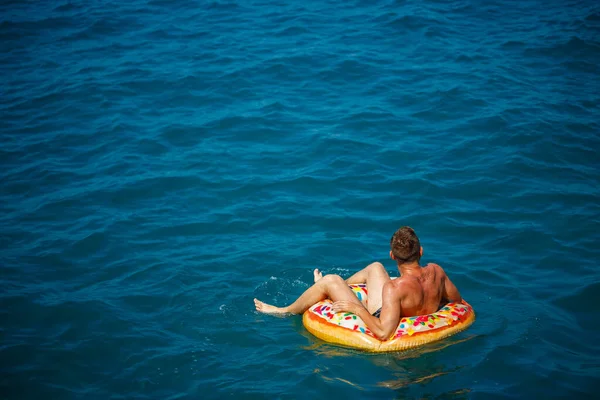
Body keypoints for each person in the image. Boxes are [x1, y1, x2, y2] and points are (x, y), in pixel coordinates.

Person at [254, 226, 462, 341]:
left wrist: (356, 309)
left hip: (384, 314)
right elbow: (456, 301)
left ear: (393, 256)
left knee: (330, 280)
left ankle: (284, 309)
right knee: (374, 267)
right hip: (411, 307)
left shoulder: (394, 288)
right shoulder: (437, 271)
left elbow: (383, 333)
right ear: (421, 251)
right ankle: (339, 288)